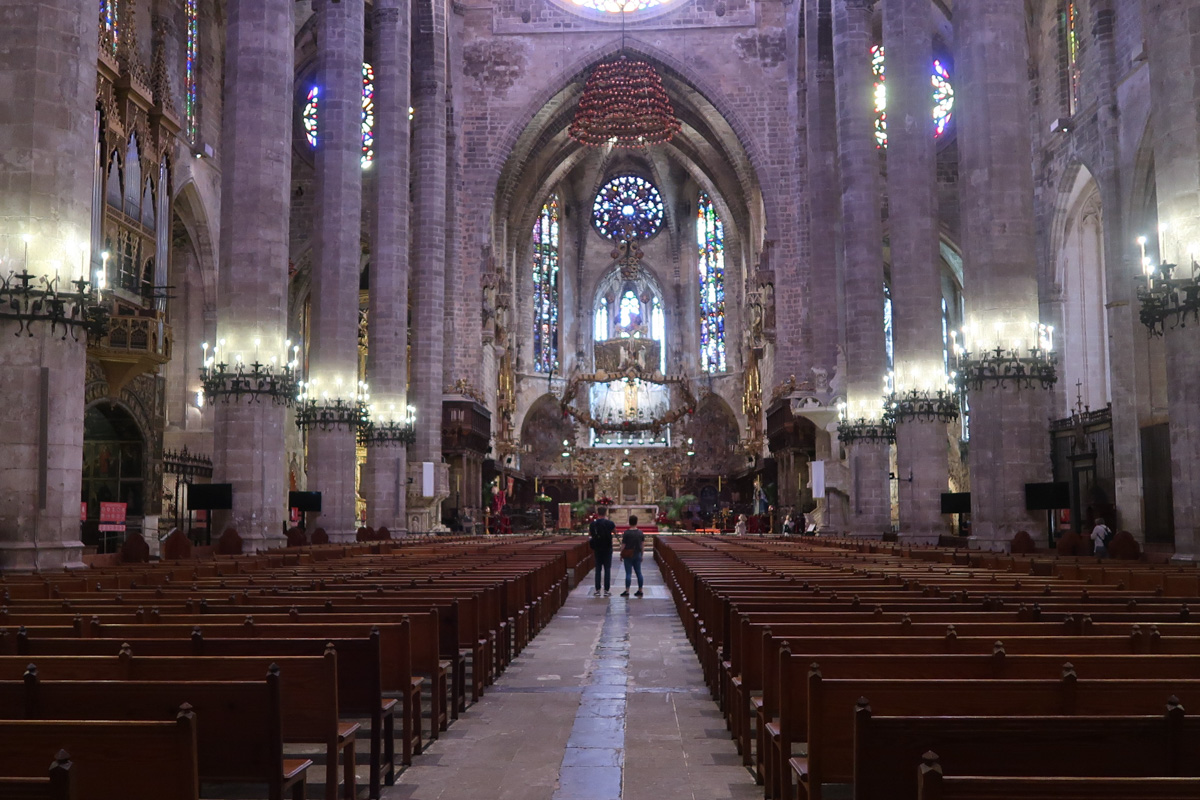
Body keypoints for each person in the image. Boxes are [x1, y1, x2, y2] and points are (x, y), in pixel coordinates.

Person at [589, 506, 616, 596]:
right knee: (607, 569)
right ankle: (606, 590)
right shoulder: (610, 523)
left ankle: (597, 589)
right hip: (607, 548)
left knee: (598, 569)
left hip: (597, 548)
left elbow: (590, 534)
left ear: (597, 513)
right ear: (605, 513)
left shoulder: (593, 524)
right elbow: (614, 532)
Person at [620, 515, 646, 598]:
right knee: (639, 573)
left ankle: (627, 591)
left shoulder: (626, 533)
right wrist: (642, 554)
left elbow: (623, 545)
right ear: (636, 522)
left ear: (629, 522)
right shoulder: (640, 532)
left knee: (628, 573)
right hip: (637, 553)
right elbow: (642, 545)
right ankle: (640, 590)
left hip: (628, 554)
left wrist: (621, 554)